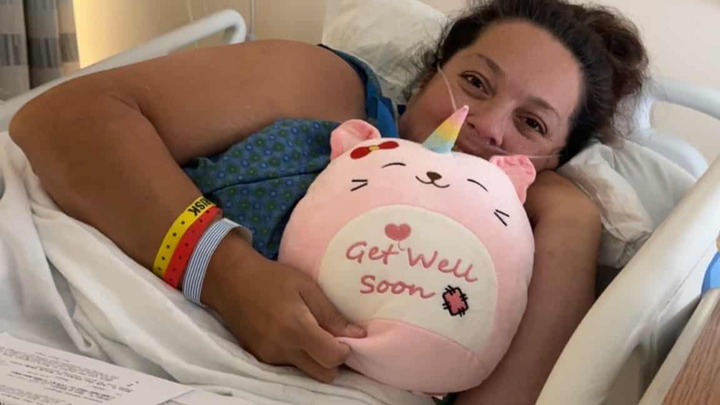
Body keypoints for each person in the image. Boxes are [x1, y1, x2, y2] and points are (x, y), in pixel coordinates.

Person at [8, 0, 648, 403]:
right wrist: (226, 274)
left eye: (532, 124)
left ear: (556, 159)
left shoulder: (528, 229)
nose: (485, 124)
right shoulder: (333, 93)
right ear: (431, 73)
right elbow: (63, 119)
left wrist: (569, 218)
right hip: (70, 306)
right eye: (476, 82)